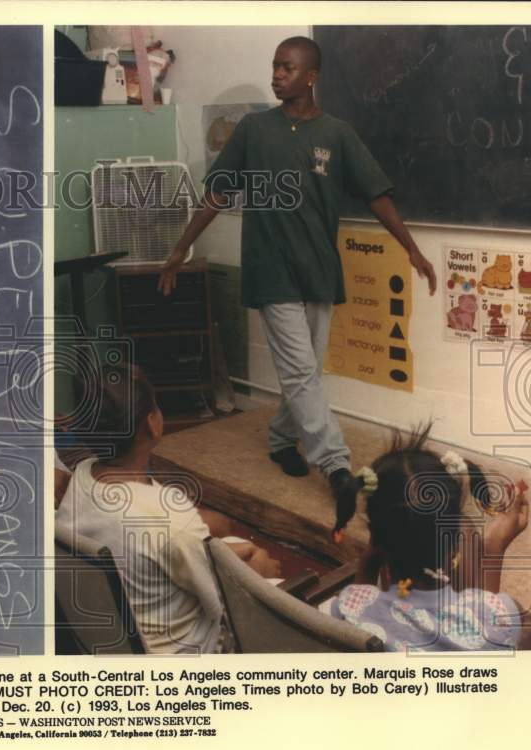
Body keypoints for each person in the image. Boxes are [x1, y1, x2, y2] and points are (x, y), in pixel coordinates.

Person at [158, 36, 437, 501]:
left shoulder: (337, 134)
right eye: (274, 67)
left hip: (320, 270)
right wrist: (180, 247)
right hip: (271, 272)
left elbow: (376, 195)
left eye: (286, 68)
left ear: (311, 76)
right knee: (302, 373)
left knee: (303, 373)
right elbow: (218, 195)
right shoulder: (253, 129)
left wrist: (410, 248)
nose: (276, 75)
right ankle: (336, 466)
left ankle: (281, 438)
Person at [55, 363, 281, 654]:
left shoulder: (82, 476)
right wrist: (258, 572)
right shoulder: (174, 522)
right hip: (185, 656)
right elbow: (224, 608)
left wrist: (222, 552)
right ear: (152, 422)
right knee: (267, 572)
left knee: (233, 546)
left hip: (114, 637)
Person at [327, 425, 527, 651]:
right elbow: (484, 621)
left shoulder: (347, 609)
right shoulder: (502, 618)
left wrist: (369, 561)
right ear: (454, 543)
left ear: (375, 538)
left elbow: (358, 600)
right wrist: (493, 548)